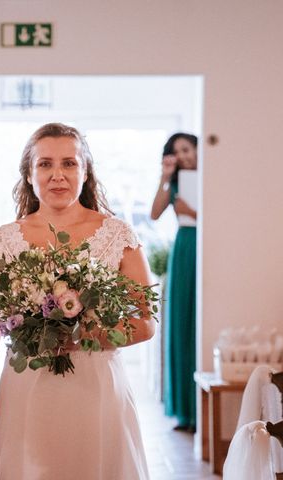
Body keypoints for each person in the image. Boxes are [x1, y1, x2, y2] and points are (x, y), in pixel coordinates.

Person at [0, 123, 156, 479]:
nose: (57, 175)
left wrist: (83, 335)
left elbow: (145, 322)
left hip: (96, 388)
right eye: (45, 164)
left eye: (69, 163)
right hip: (28, 389)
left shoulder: (118, 235)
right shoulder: (3, 241)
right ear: (29, 175)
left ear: (85, 171)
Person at [150, 132, 198, 431]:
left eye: (187, 148)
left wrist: (191, 212)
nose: (183, 155)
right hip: (183, 249)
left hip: (205, 245)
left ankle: (198, 408)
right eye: (177, 151)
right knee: (180, 321)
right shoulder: (176, 182)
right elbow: (154, 213)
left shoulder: (214, 176)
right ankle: (184, 411)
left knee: (198, 322)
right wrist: (165, 177)